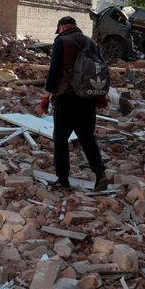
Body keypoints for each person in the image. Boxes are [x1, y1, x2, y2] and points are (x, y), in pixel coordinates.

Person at [40, 16, 109, 191]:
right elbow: (99, 69)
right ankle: (100, 174)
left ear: (62, 27)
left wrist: (46, 97)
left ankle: (63, 179)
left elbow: (54, 71)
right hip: (87, 97)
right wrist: (100, 95)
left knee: (61, 138)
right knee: (87, 137)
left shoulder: (61, 42)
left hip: (67, 97)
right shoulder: (89, 42)